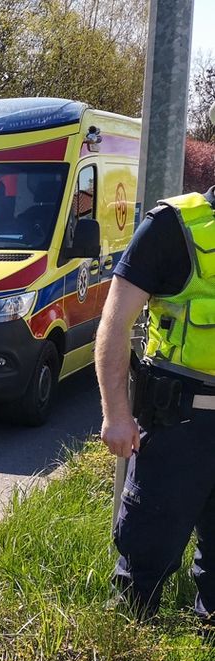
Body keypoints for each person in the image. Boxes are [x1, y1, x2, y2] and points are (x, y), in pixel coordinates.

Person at [97, 183, 215, 620]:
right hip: (177, 428)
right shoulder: (171, 226)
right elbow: (114, 324)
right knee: (145, 559)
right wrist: (116, 414)